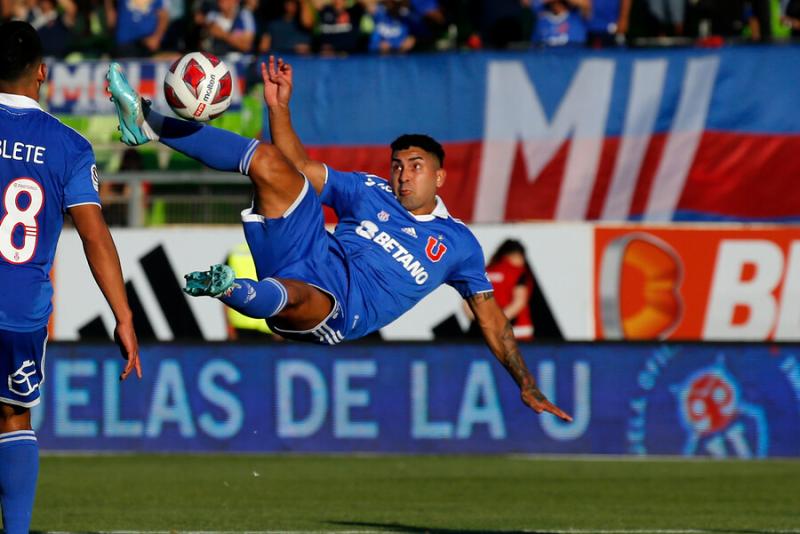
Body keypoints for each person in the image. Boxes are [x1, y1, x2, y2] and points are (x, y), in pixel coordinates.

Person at [105, 55, 571, 422]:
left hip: (341, 306)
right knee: (267, 161)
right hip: (310, 246)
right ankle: (146, 121)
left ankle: (230, 288)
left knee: (297, 294)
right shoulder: (370, 190)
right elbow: (299, 170)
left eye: (416, 167)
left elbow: (493, 321)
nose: (403, 175)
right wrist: (279, 109)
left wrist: (525, 382)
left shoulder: (459, 244)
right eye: (398, 165)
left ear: (440, 177)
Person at [0, 21, 141, 534]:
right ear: (42, 73)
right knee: (13, 417)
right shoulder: (70, 146)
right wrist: (123, 316)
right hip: (20, 309)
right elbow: (94, 236)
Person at [470, 239, 535, 341]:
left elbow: (468, 302)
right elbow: (519, 302)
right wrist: (498, 320)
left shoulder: (484, 271)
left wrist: (483, 320)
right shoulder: (517, 272)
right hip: (518, 331)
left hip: (487, 332)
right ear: (516, 255)